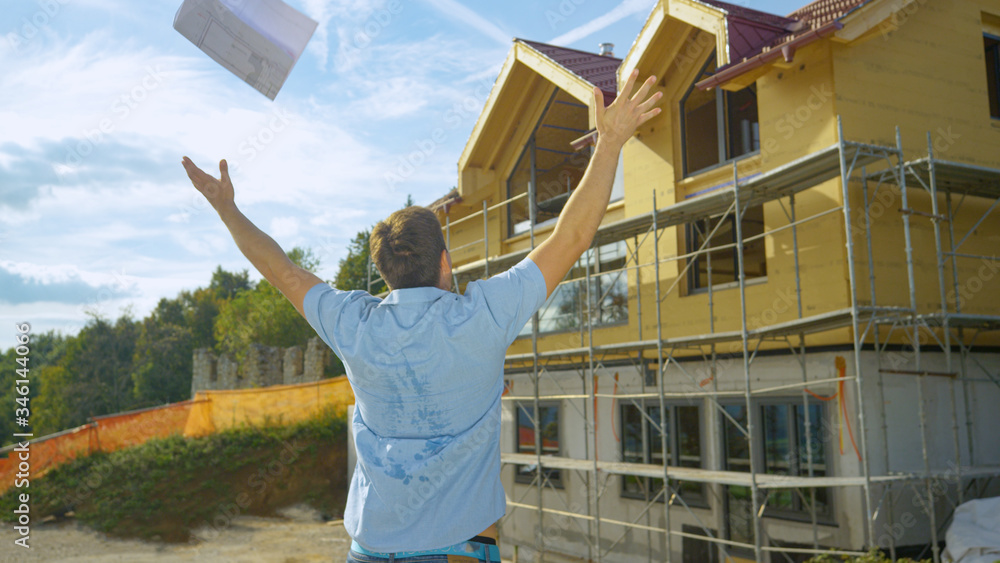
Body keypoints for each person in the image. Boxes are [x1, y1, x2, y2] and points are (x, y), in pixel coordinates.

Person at [181, 69, 661, 563]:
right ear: (445, 262)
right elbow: (572, 238)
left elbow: (282, 271)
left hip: (370, 549)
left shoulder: (355, 325)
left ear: (385, 272)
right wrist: (609, 142)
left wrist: (227, 210)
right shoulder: (485, 315)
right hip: (460, 549)